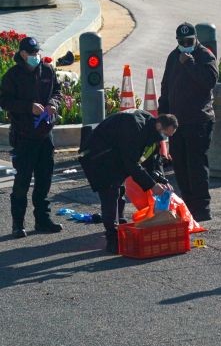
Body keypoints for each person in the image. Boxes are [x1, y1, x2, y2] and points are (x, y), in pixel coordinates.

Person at [79, 110, 178, 253]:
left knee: (119, 191)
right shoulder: (134, 127)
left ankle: (119, 226)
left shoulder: (151, 131)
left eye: (168, 137)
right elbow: (131, 163)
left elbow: (150, 162)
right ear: (159, 125)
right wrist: (152, 185)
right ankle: (112, 240)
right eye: (165, 134)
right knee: (110, 194)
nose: (164, 139)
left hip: (115, 156)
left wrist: (160, 179)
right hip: (99, 157)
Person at [0, 36, 64, 238]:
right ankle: (18, 224)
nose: (36, 57)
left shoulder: (47, 71)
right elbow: (4, 101)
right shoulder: (13, 75)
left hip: (45, 134)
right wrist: (29, 107)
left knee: (44, 179)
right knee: (22, 181)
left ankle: (42, 220)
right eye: (32, 54)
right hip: (24, 136)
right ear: (22, 54)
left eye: (37, 53)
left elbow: (58, 92)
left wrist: (53, 104)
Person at [159, 23, 218, 222]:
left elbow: (209, 82)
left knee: (196, 165)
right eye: (181, 42)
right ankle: (188, 206)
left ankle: (202, 208)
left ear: (195, 39)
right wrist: (163, 115)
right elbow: (166, 87)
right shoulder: (173, 56)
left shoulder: (205, 55)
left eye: (189, 41)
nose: (185, 45)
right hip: (177, 122)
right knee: (181, 166)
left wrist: (190, 64)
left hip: (199, 120)